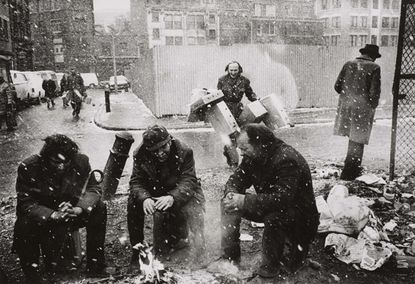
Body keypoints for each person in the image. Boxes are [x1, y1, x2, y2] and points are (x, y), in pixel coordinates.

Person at [210, 124, 319, 279]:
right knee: (228, 204)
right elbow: (236, 179)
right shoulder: (253, 156)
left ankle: (269, 271)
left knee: (275, 217)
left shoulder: (287, 159)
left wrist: (245, 201)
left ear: (260, 144)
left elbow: (282, 199)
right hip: (273, 206)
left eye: (244, 148)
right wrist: (231, 194)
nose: (241, 153)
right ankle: (230, 258)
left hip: (300, 219)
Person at [12, 134, 108, 283]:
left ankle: (95, 265)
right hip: (45, 217)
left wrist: (79, 209)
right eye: (56, 162)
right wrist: (52, 214)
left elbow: (93, 188)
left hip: (72, 211)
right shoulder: (29, 167)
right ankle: (33, 273)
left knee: (99, 208)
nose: (61, 166)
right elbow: (26, 203)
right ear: (45, 158)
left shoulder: (81, 161)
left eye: (66, 162)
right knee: (24, 224)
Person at [127, 125, 206, 270]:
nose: (160, 153)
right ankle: (138, 251)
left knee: (194, 207)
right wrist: (145, 198)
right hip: (154, 191)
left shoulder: (184, 151)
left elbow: (189, 180)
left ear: (169, 140)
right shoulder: (140, 154)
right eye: (154, 151)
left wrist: (172, 197)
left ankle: (199, 250)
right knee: (133, 202)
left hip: (179, 190)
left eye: (163, 148)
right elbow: (136, 181)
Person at [334, 44, 381, 180]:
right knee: (358, 139)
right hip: (362, 108)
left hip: (347, 107)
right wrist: (372, 105)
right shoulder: (374, 67)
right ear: (372, 56)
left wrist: (349, 95)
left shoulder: (348, 64)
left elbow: (337, 86)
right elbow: (374, 93)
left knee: (352, 137)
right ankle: (351, 171)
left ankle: (349, 168)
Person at [217, 61, 258, 168]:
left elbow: (250, 94)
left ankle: (243, 159)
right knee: (230, 135)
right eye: (231, 70)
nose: (233, 72)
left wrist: (257, 100)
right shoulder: (222, 80)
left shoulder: (244, 81)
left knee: (242, 134)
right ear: (227, 69)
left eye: (235, 70)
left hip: (239, 110)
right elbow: (217, 96)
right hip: (226, 110)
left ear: (239, 70)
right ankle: (233, 162)